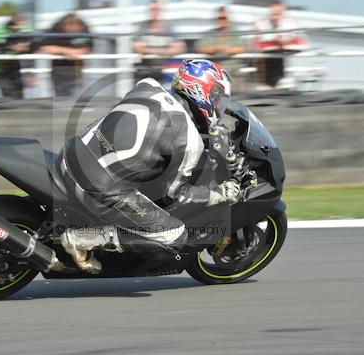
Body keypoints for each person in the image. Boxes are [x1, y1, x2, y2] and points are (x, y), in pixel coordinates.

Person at [55, 59, 242, 273]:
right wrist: (217, 194)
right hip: (95, 185)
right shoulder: (190, 141)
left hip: (71, 153)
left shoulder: (148, 85)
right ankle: (81, 240)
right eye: (220, 98)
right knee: (174, 235)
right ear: (204, 91)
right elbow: (175, 195)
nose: (220, 106)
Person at [33, 13, 92, 97]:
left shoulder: (83, 29)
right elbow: (43, 47)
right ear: (64, 26)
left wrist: (78, 52)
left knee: (77, 101)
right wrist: (66, 51)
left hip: (77, 73)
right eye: (70, 28)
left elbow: (88, 47)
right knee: (61, 100)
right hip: (59, 73)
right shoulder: (55, 30)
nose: (73, 31)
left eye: (76, 29)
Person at [252, 0, 308, 89]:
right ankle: (273, 83)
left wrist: (285, 41)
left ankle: (278, 82)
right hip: (268, 60)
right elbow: (257, 43)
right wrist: (275, 41)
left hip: (285, 58)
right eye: (273, 14)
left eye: (278, 14)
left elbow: (301, 42)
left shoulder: (291, 23)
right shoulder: (262, 24)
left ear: (284, 13)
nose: (275, 18)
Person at [132, 0, 186, 83]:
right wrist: (163, 51)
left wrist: (153, 51)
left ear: (161, 11)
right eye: (152, 10)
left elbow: (180, 47)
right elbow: (137, 47)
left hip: (165, 72)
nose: (154, 12)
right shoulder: (142, 28)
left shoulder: (168, 28)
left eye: (156, 10)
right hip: (146, 71)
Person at [196, 6, 247, 93]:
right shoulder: (209, 34)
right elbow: (200, 48)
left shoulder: (235, 33)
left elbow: (242, 48)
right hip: (214, 75)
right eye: (219, 18)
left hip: (234, 73)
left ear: (228, 19)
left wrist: (227, 49)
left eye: (224, 18)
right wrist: (216, 48)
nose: (222, 20)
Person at [0, 13, 33, 99]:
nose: (18, 29)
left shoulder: (28, 28)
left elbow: (34, 44)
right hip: (4, 70)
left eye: (20, 26)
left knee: (22, 98)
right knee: (8, 97)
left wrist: (23, 46)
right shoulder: (0, 30)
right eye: (15, 26)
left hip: (22, 70)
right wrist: (13, 47)